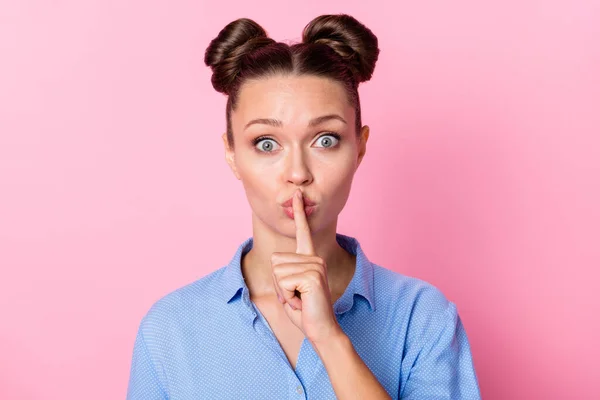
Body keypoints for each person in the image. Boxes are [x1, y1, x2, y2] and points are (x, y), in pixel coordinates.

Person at [126, 14, 481, 399]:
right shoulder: (170, 330)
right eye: (266, 143)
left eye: (325, 140)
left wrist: (329, 338)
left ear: (359, 147)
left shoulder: (421, 317)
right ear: (231, 154)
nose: (297, 173)